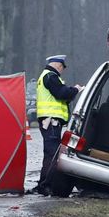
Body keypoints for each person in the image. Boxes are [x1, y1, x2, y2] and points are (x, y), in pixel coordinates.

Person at [33, 54, 81, 195]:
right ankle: (45, 186)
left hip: (49, 121)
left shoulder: (46, 76)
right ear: (58, 65)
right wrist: (76, 90)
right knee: (52, 154)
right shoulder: (51, 76)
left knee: (50, 153)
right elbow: (61, 93)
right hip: (51, 121)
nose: (62, 70)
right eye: (62, 67)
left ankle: (44, 184)